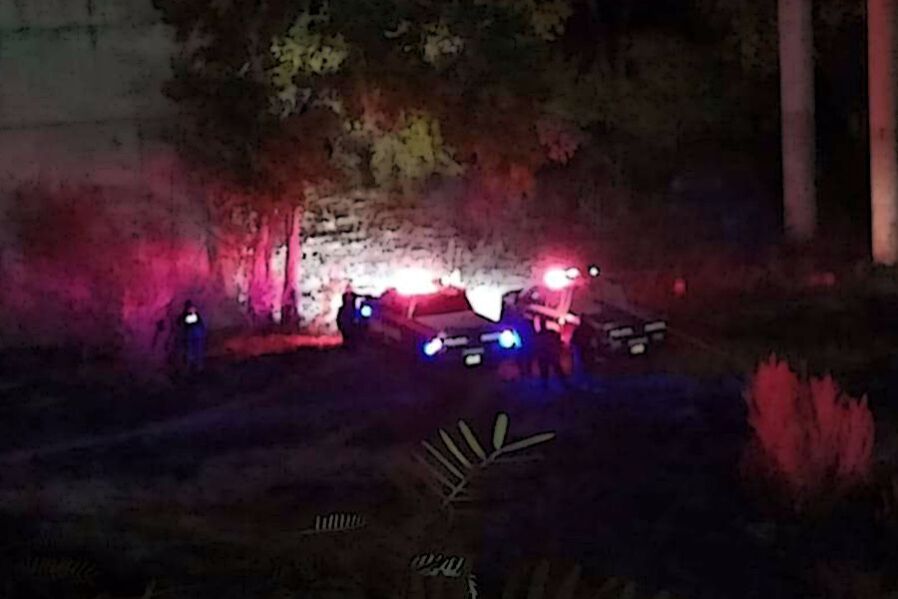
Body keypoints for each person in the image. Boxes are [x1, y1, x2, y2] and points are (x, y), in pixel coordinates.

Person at [534, 316, 568, 390]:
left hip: (544, 355)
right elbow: (556, 342)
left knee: (545, 371)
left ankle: (545, 386)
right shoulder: (550, 334)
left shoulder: (539, 335)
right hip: (550, 355)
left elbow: (537, 346)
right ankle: (565, 384)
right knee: (556, 370)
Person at [179, 300, 206, 373]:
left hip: (193, 332)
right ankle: (196, 366)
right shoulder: (191, 313)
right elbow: (200, 322)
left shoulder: (187, 313)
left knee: (193, 349)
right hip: (195, 332)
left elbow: (185, 323)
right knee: (195, 349)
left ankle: (193, 366)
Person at [570, 318, 596, 388]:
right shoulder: (589, 330)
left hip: (582, 350)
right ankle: (587, 383)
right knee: (586, 367)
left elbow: (573, 341)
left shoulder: (578, 330)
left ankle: (582, 383)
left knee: (581, 366)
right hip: (585, 350)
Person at [336, 284, 357, 349]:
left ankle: (350, 343)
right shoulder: (344, 295)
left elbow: (354, 304)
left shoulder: (354, 295)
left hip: (350, 311)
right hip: (346, 311)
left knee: (350, 329)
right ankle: (345, 343)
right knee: (344, 328)